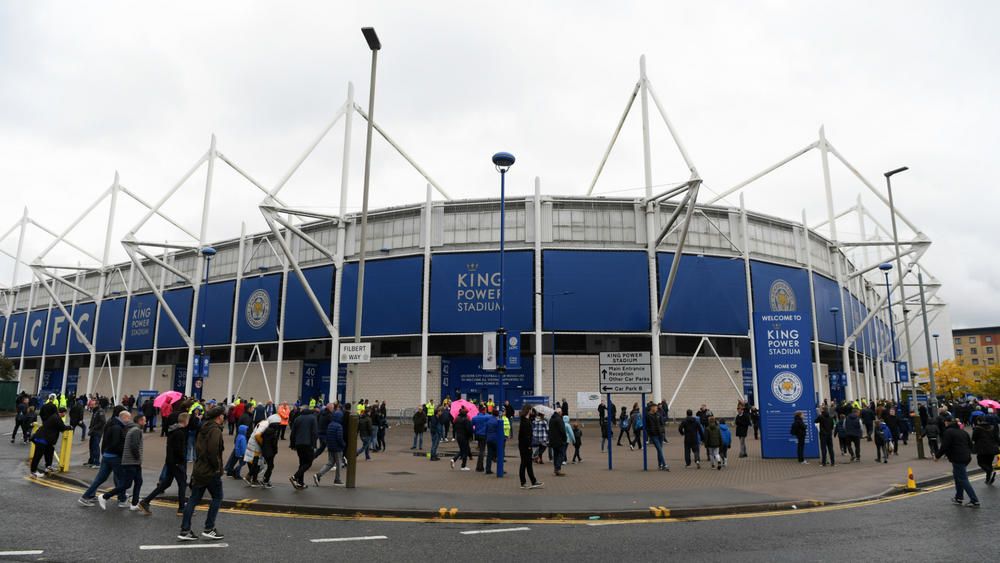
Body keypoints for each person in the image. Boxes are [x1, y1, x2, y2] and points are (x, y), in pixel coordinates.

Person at [178, 406, 227, 541]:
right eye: (223, 415)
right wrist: (216, 467)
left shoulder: (203, 428)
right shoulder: (215, 430)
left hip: (199, 469)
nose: (224, 418)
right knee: (217, 497)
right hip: (210, 471)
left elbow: (200, 450)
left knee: (193, 499)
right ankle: (209, 528)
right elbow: (212, 452)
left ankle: (185, 530)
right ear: (218, 417)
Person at [139, 412, 189, 515]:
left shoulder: (173, 430)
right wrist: (182, 460)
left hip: (170, 462)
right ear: (186, 421)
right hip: (177, 462)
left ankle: (145, 501)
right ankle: (181, 509)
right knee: (182, 484)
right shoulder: (180, 433)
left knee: (166, 483)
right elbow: (179, 450)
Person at [78, 409, 129, 506]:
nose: (129, 420)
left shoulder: (111, 424)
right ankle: (122, 500)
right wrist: (122, 452)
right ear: (123, 417)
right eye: (128, 418)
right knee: (122, 479)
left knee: (100, 479)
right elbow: (115, 444)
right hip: (114, 457)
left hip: (106, 456)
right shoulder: (118, 427)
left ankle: (85, 497)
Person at [98, 413, 146, 512]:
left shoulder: (132, 429)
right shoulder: (136, 430)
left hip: (133, 461)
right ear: (140, 421)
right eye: (144, 420)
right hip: (132, 461)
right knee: (126, 484)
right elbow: (134, 446)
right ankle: (104, 496)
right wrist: (138, 458)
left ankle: (134, 504)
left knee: (139, 481)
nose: (146, 422)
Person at [934, 414, 980, 507]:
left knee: (963, 479)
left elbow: (944, 446)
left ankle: (974, 500)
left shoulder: (948, 432)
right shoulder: (963, 432)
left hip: (957, 458)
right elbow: (971, 446)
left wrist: (937, 456)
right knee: (957, 477)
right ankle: (959, 498)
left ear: (947, 422)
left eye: (945, 422)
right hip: (966, 457)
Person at [30, 406, 69, 477]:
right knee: (38, 455)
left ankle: (48, 467)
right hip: (41, 439)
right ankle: (33, 471)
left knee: (50, 451)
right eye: (65, 413)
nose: (65, 415)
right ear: (62, 413)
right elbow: (62, 427)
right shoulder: (56, 418)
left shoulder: (55, 417)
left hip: (46, 440)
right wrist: (70, 427)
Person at [313, 409, 346, 486]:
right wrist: (343, 445)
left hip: (331, 447)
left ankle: (318, 475)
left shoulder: (330, 425)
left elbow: (327, 435)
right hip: (337, 448)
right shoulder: (339, 426)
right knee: (339, 464)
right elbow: (339, 438)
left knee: (330, 463)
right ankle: (337, 479)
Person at [289, 404, 318, 489]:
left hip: (299, 444)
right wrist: (314, 444)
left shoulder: (298, 419)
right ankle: (295, 477)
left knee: (302, 463)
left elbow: (293, 433)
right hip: (308, 444)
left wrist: (292, 445)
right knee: (308, 463)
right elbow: (315, 433)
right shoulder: (313, 418)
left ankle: (300, 482)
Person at [517, 406, 543, 489]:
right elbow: (526, 436)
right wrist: (528, 446)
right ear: (528, 411)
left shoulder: (526, 420)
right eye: (531, 410)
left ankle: (533, 481)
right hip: (525, 446)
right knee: (524, 464)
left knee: (528, 464)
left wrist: (534, 412)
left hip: (524, 446)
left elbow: (534, 415)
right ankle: (523, 482)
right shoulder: (525, 422)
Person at [972, 417, 998, 485]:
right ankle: (988, 479)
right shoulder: (992, 427)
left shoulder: (977, 428)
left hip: (982, 449)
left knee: (980, 462)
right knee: (989, 463)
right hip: (992, 448)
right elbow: (997, 438)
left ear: (978, 421)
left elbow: (973, 438)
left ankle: (989, 471)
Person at [646, 403, 668, 470]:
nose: (656, 408)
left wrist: (662, 431)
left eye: (656, 407)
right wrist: (650, 432)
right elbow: (646, 425)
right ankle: (664, 464)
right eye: (655, 407)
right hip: (654, 435)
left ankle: (660, 465)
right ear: (651, 408)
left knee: (660, 450)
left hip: (660, 434)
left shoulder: (658, 414)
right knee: (659, 449)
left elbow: (662, 423)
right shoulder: (647, 415)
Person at [85, 403, 106, 468]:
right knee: (91, 446)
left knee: (95, 447)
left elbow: (102, 421)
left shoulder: (100, 411)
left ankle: (97, 463)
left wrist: (94, 428)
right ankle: (91, 461)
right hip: (93, 431)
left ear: (96, 405)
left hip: (97, 432)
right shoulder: (95, 411)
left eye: (91, 404)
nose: (90, 405)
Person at [548, 409, 567, 476]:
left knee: (556, 455)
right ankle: (558, 469)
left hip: (553, 440)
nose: (562, 413)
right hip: (560, 440)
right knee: (561, 454)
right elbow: (563, 430)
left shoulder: (551, 419)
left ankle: (556, 468)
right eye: (561, 412)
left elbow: (549, 430)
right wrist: (565, 439)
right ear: (559, 412)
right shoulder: (559, 419)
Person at [484, 410, 501, 474]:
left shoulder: (488, 421)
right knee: (499, 454)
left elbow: (486, 430)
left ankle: (488, 469)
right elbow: (499, 432)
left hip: (489, 439)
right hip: (495, 439)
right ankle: (500, 469)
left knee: (489, 455)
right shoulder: (497, 421)